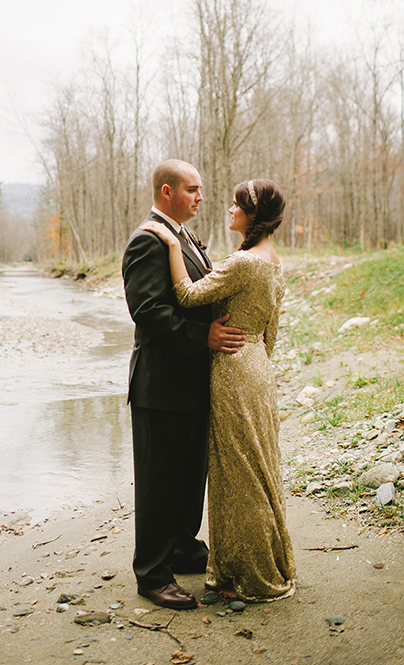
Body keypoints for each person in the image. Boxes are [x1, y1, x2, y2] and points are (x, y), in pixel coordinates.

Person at [141, 177, 296, 602]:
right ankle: (254, 562)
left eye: (236, 204)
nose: (228, 209)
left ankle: (252, 571)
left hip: (232, 368)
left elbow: (188, 296)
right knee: (258, 466)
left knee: (238, 473)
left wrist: (174, 247)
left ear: (253, 215)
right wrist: (256, 357)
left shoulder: (244, 262)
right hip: (258, 365)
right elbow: (271, 331)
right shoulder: (272, 260)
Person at [122, 159, 246, 610]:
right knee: (159, 482)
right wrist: (204, 336)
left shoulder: (182, 235)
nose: (200, 196)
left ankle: (182, 547)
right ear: (167, 191)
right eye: (192, 189)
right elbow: (149, 312)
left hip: (191, 382)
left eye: (201, 189)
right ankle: (152, 573)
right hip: (161, 387)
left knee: (189, 476)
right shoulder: (147, 240)